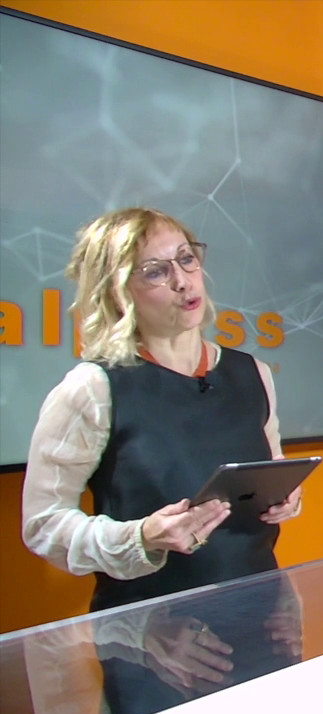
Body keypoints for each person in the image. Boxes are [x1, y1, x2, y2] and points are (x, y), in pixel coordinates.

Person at [21, 207, 303, 612]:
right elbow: (44, 525)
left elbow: (272, 470)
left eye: (186, 259)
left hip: (261, 610)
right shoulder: (93, 388)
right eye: (155, 271)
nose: (182, 280)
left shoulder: (252, 373)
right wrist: (141, 538)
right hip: (149, 629)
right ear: (117, 292)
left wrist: (286, 497)